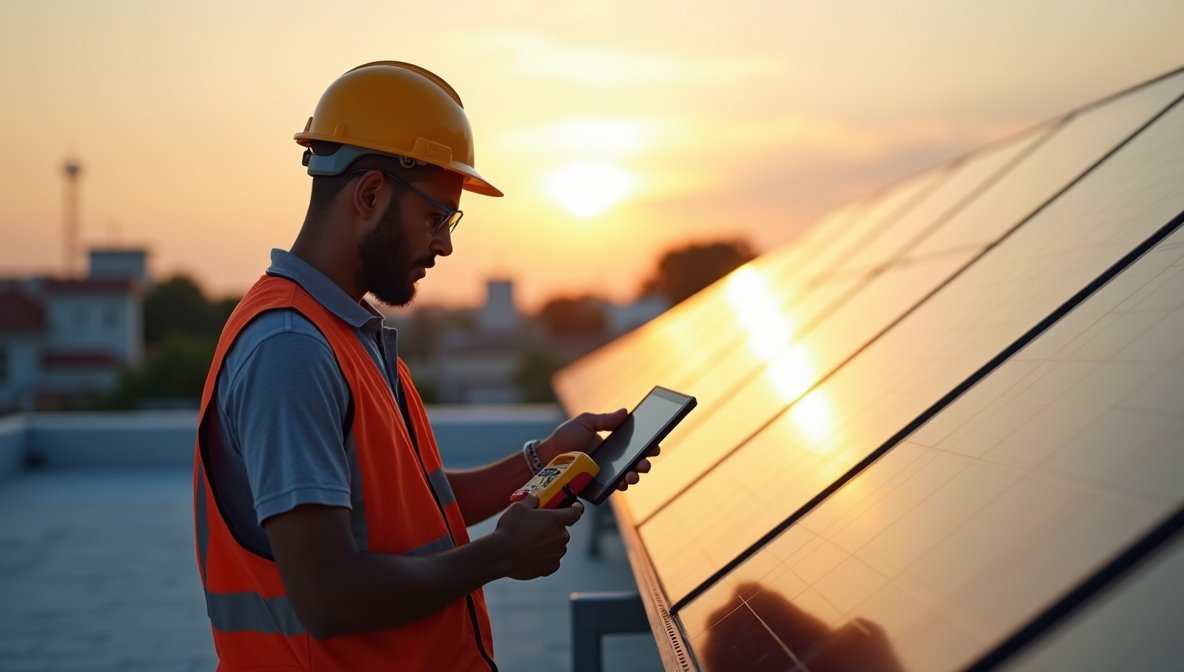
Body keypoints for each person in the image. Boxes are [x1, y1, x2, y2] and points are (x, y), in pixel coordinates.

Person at [192, 61, 653, 671]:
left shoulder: (341, 334)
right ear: (370, 194)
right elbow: (329, 597)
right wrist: (499, 557)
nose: (445, 244)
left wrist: (544, 458)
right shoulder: (290, 350)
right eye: (437, 217)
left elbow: (414, 513)